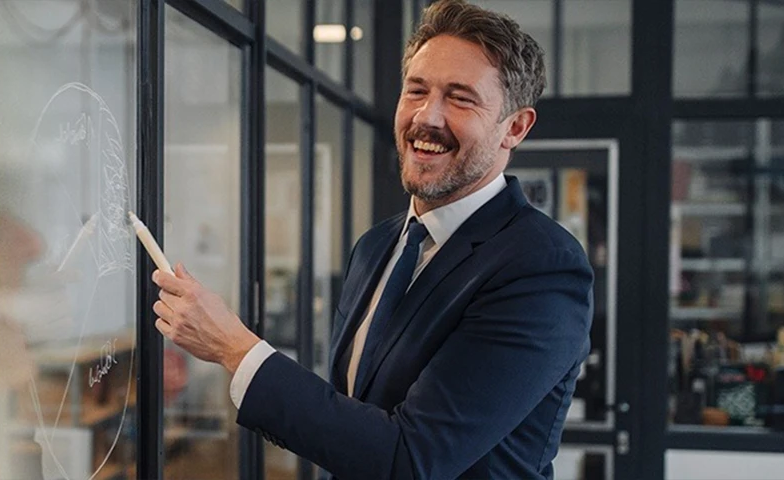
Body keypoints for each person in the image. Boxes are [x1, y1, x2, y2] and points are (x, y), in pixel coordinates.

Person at [151, 1, 592, 478]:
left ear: (516, 128)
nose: (427, 117)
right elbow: (351, 421)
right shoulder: (377, 246)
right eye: (416, 90)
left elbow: (411, 458)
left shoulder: (541, 267)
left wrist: (234, 348)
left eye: (461, 98)